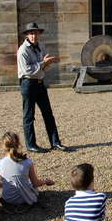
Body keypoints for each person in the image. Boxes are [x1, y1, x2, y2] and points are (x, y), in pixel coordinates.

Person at [17, 22, 68, 153]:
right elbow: (27, 70)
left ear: (39, 34)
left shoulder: (40, 46)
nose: (34, 36)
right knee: (29, 116)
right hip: (28, 83)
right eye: (31, 33)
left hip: (40, 82)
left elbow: (43, 67)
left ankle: (55, 142)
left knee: (48, 114)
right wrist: (42, 64)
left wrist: (47, 64)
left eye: (36, 33)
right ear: (27, 35)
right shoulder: (23, 50)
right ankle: (30, 144)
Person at [0, 132, 55, 214]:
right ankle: (26, 202)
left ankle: (7, 202)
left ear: (3, 146)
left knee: (9, 194)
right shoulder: (27, 162)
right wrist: (46, 181)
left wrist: (7, 184)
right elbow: (36, 183)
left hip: (8, 197)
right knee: (33, 187)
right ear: (18, 145)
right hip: (25, 197)